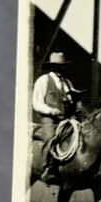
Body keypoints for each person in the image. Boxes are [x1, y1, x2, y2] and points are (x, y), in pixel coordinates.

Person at [32, 51, 80, 184]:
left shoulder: (68, 83)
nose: (61, 69)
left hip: (66, 118)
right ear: (52, 67)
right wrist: (51, 111)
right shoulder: (43, 80)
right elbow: (36, 103)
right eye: (58, 66)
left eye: (63, 66)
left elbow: (72, 101)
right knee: (52, 137)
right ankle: (49, 168)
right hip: (49, 118)